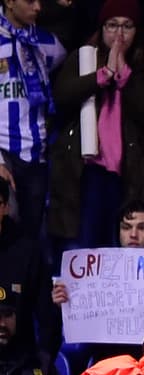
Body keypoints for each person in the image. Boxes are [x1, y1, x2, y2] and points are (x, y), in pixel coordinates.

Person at [47, 0, 144, 254]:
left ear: (138, 30)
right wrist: (101, 76)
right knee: (84, 250)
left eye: (127, 26)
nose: (119, 34)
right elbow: (61, 97)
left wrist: (124, 76)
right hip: (86, 173)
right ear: (101, 28)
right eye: (112, 26)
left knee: (120, 254)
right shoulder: (82, 57)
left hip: (130, 175)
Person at [0, 0, 66, 241]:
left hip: (36, 154)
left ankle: (24, 281)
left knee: (30, 240)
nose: (38, 7)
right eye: (29, 1)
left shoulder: (47, 43)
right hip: (3, 153)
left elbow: (73, 59)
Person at [0, 177, 57, 354]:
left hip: (19, 363)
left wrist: (42, 366)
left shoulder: (28, 252)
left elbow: (47, 318)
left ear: (5, 207)